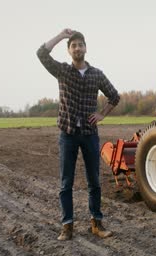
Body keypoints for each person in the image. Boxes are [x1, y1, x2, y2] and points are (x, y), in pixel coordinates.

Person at [37, 28, 120, 241]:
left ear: (85, 48)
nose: (77, 48)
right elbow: (41, 54)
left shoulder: (96, 74)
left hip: (90, 134)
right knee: (66, 183)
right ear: (69, 50)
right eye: (73, 45)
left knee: (94, 182)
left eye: (80, 44)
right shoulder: (62, 71)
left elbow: (114, 96)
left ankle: (96, 224)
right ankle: (67, 226)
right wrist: (60, 35)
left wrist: (101, 114)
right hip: (68, 134)